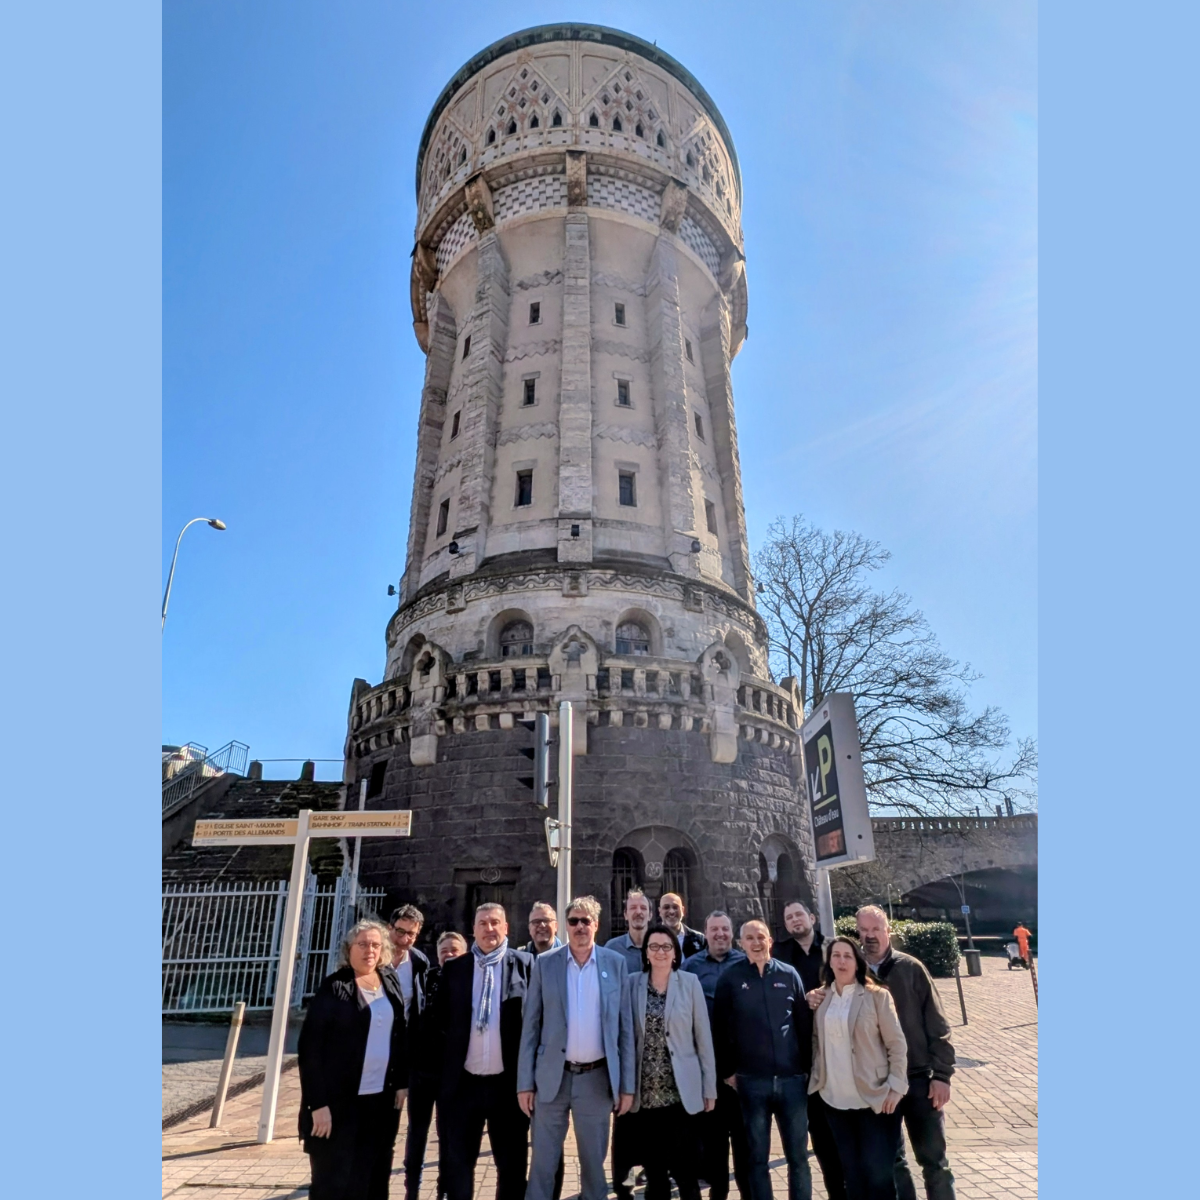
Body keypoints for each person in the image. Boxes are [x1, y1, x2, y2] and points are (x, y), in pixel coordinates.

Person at [518, 895, 636, 1200]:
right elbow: (531, 1027)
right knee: (542, 1164)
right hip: (551, 1080)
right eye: (574, 921)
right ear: (566, 926)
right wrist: (524, 1084)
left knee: (594, 1167)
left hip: (596, 1080)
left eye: (586, 921)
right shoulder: (545, 964)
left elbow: (624, 1030)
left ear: (596, 924)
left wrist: (626, 1086)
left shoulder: (615, 964)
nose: (580, 926)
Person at [298, 918, 409, 1200]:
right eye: (362, 944)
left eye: (375, 945)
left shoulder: (388, 980)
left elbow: (399, 1033)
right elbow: (310, 1048)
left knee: (372, 1179)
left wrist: (400, 1082)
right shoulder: (335, 988)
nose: (369, 950)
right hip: (338, 1104)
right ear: (349, 949)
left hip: (380, 1101)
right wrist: (317, 1104)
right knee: (334, 1182)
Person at [428, 904, 533, 1200]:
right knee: (459, 1167)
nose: (489, 929)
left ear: (506, 928)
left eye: (495, 922)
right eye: (483, 923)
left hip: (508, 1087)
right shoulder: (455, 969)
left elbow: (537, 1024)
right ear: (473, 930)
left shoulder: (525, 965)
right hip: (464, 1086)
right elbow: (438, 1024)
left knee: (511, 1168)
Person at [854, 906, 956, 1200]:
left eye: (876, 929)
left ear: (888, 931)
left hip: (919, 1079)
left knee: (934, 1162)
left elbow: (938, 1024)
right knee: (893, 1162)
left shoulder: (911, 968)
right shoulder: (853, 971)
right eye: (864, 930)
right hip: (880, 1083)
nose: (870, 936)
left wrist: (942, 1076)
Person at [713, 919, 812, 1200]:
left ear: (770, 941)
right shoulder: (730, 979)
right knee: (757, 1159)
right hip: (751, 1082)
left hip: (792, 1081)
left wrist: (806, 1068)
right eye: (750, 938)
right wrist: (728, 1071)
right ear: (741, 944)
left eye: (761, 937)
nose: (756, 943)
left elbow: (803, 1025)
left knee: (798, 1157)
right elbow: (720, 1028)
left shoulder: (789, 974)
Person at [620, 922, 717, 1200]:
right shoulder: (632, 984)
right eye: (654, 946)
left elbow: (703, 1039)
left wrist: (709, 1088)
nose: (660, 952)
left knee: (686, 1172)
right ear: (646, 953)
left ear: (675, 953)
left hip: (680, 1094)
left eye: (666, 946)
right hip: (645, 1096)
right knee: (655, 1174)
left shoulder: (689, 983)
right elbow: (625, 1039)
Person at [809, 937, 908, 1200]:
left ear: (857, 962)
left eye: (847, 956)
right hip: (834, 1101)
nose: (841, 961)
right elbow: (817, 1042)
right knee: (851, 1176)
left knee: (878, 1177)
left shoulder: (877, 996)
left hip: (874, 1100)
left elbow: (897, 1044)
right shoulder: (822, 998)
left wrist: (896, 1086)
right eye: (836, 956)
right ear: (829, 962)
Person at [771, 901, 843, 1200]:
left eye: (799, 914)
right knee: (821, 1135)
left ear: (812, 918)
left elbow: (854, 983)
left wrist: (826, 992)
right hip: (804, 1058)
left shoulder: (833, 948)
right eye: (789, 917)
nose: (794, 920)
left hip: (838, 1052)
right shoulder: (779, 953)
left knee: (845, 1131)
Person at [681, 911, 750, 1200]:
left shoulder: (745, 964)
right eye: (714, 929)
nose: (720, 934)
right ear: (705, 933)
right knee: (714, 1144)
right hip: (708, 1070)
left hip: (743, 1069)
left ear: (731, 933)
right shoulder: (691, 967)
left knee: (746, 1145)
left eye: (725, 929)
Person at [404, 932, 468, 1200]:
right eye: (444, 950)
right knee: (416, 1132)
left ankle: (443, 1188)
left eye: (454, 950)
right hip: (421, 1070)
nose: (449, 954)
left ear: (464, 953)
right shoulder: (425, 978)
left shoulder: (470, 980)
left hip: (451, 1073)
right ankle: (412, 1190)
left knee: (447, 1134)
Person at [390, 904, 432, 1023]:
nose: (404, 939)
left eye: (411, 934)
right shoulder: (372, 958)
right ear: (389, 928)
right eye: (400, 931)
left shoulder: (420, 962)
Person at [606, 889, 653, 973]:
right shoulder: (612, 948)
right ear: (625, 915)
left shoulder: (660, 948)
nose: (638, 912)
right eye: (633, 908)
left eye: (643, 908)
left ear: (650, 915)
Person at [659, 892, 706, 958]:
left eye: (675, 907)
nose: (671, 912)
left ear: (683, 911)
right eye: (666, 907)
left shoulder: (699, 939)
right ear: (660, 911)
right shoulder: (650, 939)